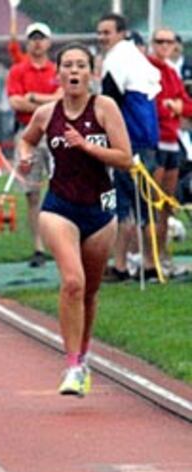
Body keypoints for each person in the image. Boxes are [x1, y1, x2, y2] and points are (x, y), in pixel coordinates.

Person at [18, 43, 132, 397]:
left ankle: (82, 358)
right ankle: (70, 366)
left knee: (91, 292)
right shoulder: (46, 114)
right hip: (59, 208)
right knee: (72, 282)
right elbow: (26, 141)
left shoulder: (104, 108)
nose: (74, 72)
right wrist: (25, 159)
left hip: (99, 211)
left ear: (91, 73)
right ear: (58, 73)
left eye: (81, 65)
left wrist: (87, 147)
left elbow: (125, 158)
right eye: (68, 65)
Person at [96, 14, 161, 281]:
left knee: (127, 204)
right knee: (143, 203)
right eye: (99, 33)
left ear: (121, 33)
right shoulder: (136, 57)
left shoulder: (116, 59)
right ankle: (142, 263)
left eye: (106, 32)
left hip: (130, 139)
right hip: (146, 136)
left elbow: (109, 102)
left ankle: (129, 265)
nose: (102, 38)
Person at [6, 22, 62, 268]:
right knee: (31, 192)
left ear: (48, 42)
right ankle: (38, 246)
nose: (37, 43)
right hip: (28, 134)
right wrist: (46, 104)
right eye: (33, 39)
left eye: (41, 39)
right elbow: (15, 103)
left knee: (63, 186)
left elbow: (62, 99)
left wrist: (35, 99)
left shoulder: (57, 69)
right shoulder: (18, 70)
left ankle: (61, 241)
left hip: (54, 133)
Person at [147, 28, 192, 277]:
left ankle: (162, 254)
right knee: (152, 202)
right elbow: (153, 105)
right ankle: (149, 256)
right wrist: (173, 108)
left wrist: (176, 106)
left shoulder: (173, 72)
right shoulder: (148, 69)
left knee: (167, 203)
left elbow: (187, 105)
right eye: (159, 41)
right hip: (156, 141)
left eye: (169, 41)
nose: (164, 45)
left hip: (173, 141)